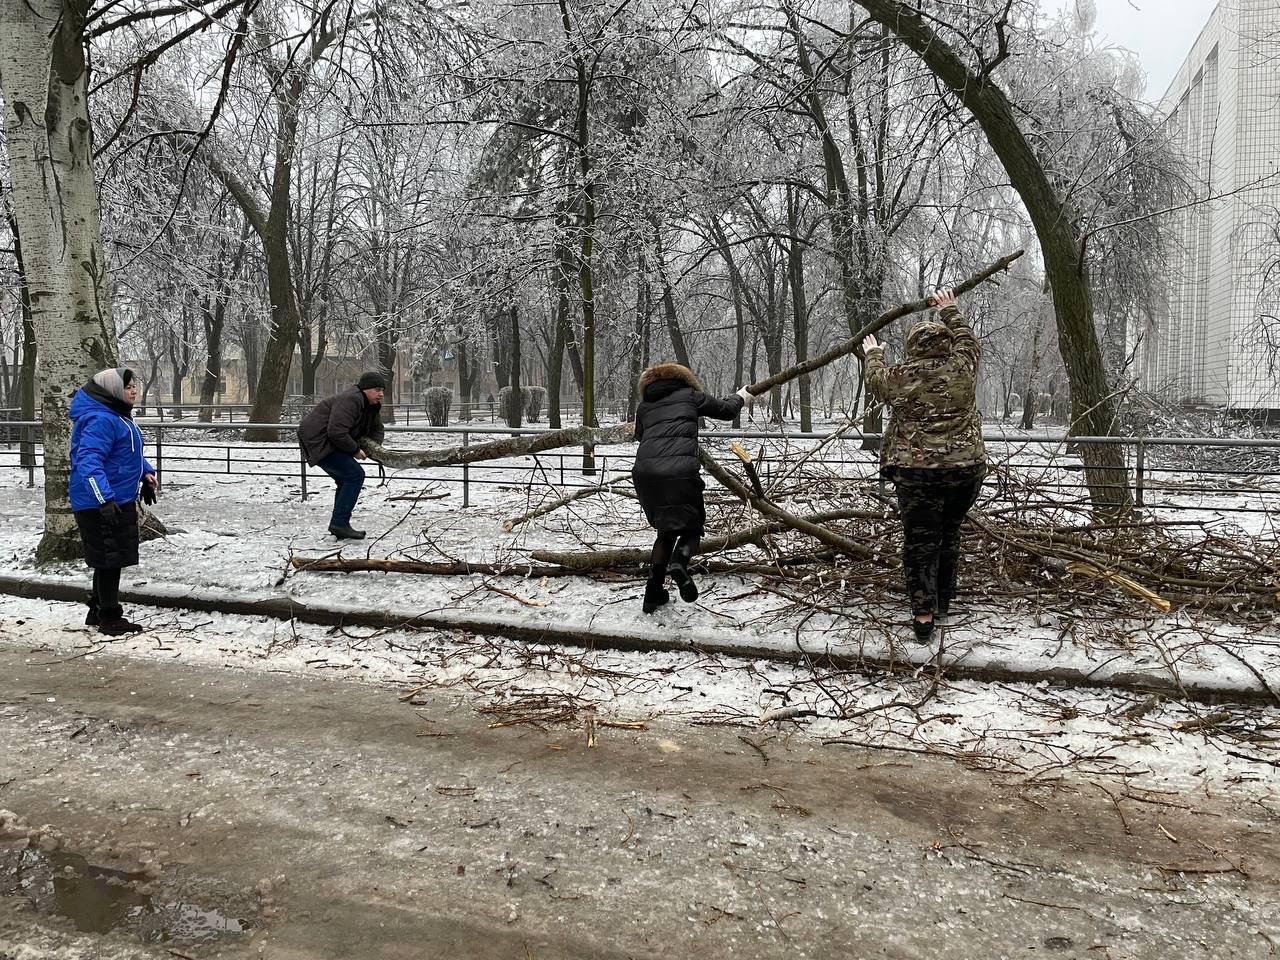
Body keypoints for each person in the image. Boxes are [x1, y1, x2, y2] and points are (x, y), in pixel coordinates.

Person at [862, 288, 987, 643]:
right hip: (965, 471)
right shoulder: (964, 366)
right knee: (949, 534)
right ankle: (944, 602)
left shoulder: (900, 376)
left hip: (917, 475)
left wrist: (873, 354)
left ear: (912, 347)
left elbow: (875, 381)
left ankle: (923, 613)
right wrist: (950, 309)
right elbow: (967, 339)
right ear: (946, 344)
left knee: (920, 541)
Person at [631, 362, 764, 613]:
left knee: (665, 531)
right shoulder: (690, 396)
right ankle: (679, 563)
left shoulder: (645, 406)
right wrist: (742, 395)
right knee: (692, 528)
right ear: (684, 379)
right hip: (680, 471)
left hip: (646, 474)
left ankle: (652, 594)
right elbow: (726, 411)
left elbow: (640, 436)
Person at [68, 367, 159, 636]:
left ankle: (97, 609)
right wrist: (104, 500)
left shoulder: (118, 417)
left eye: (134, 385)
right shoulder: (101, 419)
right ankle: (109, 617)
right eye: (128, 386)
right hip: (100, 503)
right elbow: (88, 461)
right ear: (112, 390)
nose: (134, 390)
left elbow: (124, 454)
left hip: (117, 499)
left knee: (109, 558)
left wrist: (145, 472)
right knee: (109, 559)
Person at [298, 372, 386, 539]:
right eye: (377, 389)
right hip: (319, 440)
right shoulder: (352, 399)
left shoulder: (370, 406)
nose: (381, 394)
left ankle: (339, 523)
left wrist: (373, 448)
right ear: (366, 389)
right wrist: (354, 450)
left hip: (326, 441)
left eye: (382, 390)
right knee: (355, 475)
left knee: (346, 479)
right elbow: (336, 431)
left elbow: (378, 429)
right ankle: (339, 523)